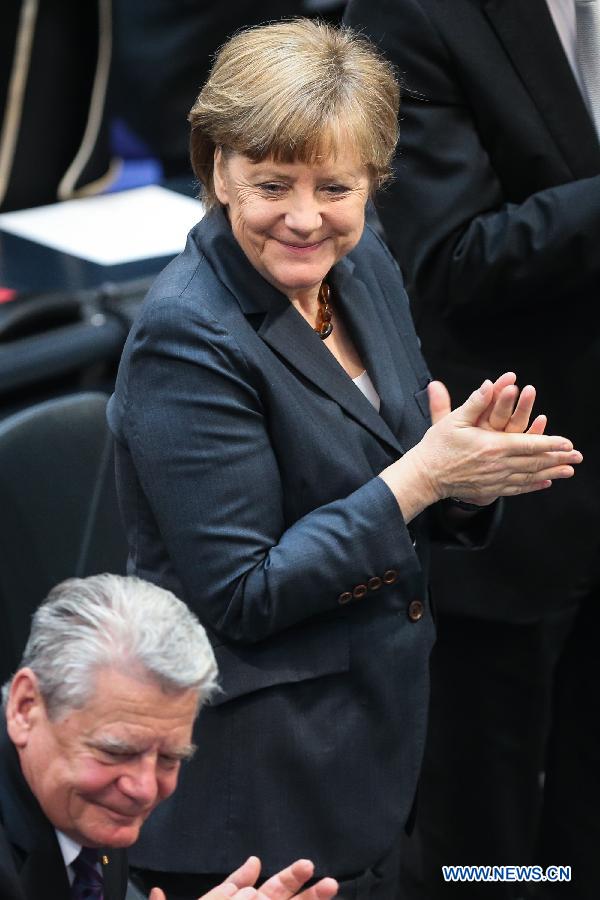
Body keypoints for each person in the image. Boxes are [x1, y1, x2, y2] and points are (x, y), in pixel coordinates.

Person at [107, 19, 582, 900]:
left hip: (380, 744)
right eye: (271, 184)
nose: (304, 217)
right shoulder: (187, 335)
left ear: (373, 184)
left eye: (335, 186)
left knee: (530, 872)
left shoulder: (361, 268)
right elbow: (244, 593)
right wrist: (422, 478)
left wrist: (467, 478)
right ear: (215, 170)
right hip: (260, 798)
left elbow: (401, 473)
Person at [342, 1, 600, 897]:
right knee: (488, 859)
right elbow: (448, 257)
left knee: (581, 845)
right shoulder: (415, 12)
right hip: (503, 509)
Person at [0, 573, 339, 900]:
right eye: (117, 752)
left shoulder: (81, 805)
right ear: (25, 707)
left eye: (169, 758)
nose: (145, 790)